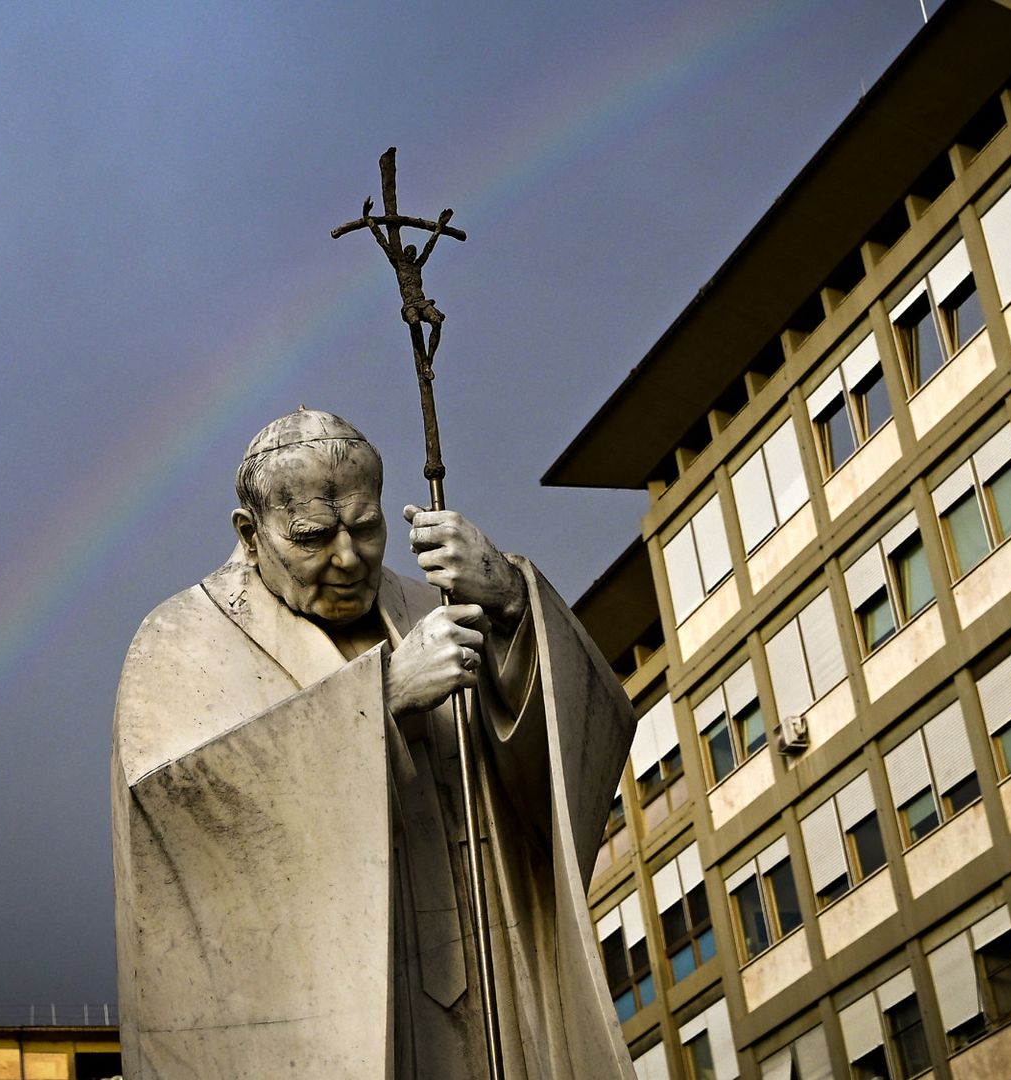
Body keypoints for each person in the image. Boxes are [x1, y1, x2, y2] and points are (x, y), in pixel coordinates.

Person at [110, 408, 637, 1078]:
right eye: (311, 536)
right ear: (249, 534)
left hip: (487, 986)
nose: (347, 557)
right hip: (324, 1019)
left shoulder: (441, 607)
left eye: (366, 527)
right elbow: (176, 821)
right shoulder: (180, 639)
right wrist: (378, 702)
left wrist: (512, 607)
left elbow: (577, 755)